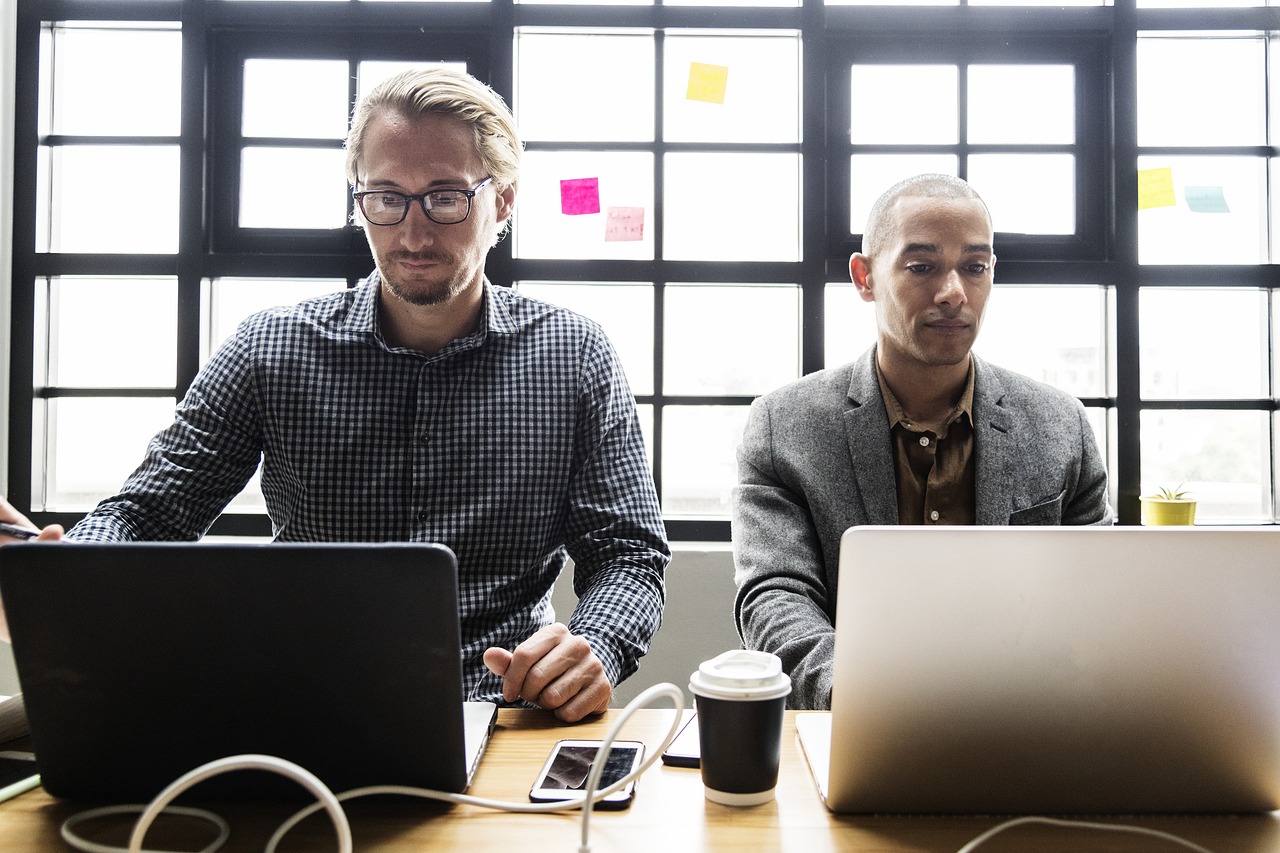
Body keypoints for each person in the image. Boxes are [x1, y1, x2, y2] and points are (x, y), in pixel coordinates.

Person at [0, 68, 668, 723]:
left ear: (504, 200)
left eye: (444, 197)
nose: (411, 233)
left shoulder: (575, 355)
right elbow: (148, 515)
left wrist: (595, 649)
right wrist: (58, 578)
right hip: (303, 709)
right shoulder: (272, 347)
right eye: (384, 197)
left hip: (505, 711)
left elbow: (628, 555)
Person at [732, 173, 1113, 710]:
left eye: (975, 267)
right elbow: (776, 597)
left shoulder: (1059, 427)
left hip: (1026, 729)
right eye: (922, 267)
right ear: (864, 277)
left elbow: (1093, 602)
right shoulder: (784, 427)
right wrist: (867, 701)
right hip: (852, 725)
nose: (954, 292)